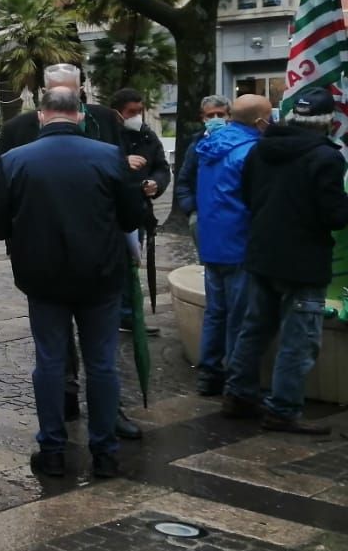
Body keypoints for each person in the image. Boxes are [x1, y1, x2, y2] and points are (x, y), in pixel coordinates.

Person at [0, 85, 145, 479]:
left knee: (50, 362)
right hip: (101, 276)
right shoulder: (110, 156)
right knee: (102, 364)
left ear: (41, 114)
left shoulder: (14, 160)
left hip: (43, 277)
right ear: (79, 114)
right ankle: (105, 453)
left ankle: (53, 450)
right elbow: (130, 217)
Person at [221, 87, 348, 432]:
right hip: (304, 263)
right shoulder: (326, 158)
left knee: (255, 329)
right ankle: (283, 408)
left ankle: (238, 394)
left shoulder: (261, 149)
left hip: (262, 254)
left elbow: (247, 195)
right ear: (328, 122)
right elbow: (334, 215)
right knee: (299, 338)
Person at [177, 94, 269, 395]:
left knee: (217, 311)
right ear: (259, 121)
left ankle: (209, 374)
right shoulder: (253, 150)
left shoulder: (207, 146)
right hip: (239, 243)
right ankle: (237, 383)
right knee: (240, 316)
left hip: (212, 241)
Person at [111, 88, 171, 333]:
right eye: (131, 112)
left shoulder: (147, 136)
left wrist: (156, 183)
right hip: (111, 213)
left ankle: (128, 314)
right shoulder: (106, 136)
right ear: (118, 113)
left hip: (138, 210)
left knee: (131, 265)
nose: (137, 116)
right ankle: (110, 314)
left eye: (140, 111)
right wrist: (122, 164)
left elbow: (161, 167)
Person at [173, 95, 231, 228]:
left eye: (220, 114)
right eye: (211, 115)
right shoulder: (195, 146)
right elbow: (183, 181)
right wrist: (192, 210)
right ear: (204, 118)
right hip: (203, 215)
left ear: (229, 116)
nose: (216, 119)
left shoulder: (238, 143)